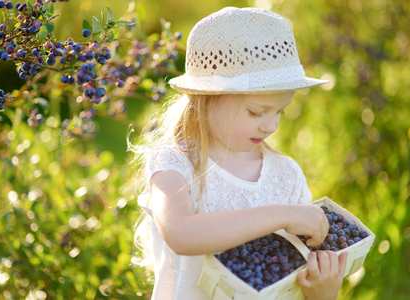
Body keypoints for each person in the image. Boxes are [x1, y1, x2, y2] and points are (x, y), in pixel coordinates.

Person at [131, 7, 348, 300]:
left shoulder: (285, 175)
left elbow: (290, 276)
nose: (271, 125)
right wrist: (282, 215)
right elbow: (182, 234)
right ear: (208, 99)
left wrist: (323, 293)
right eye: (256, 111)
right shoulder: (174, 164)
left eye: (280, 111)